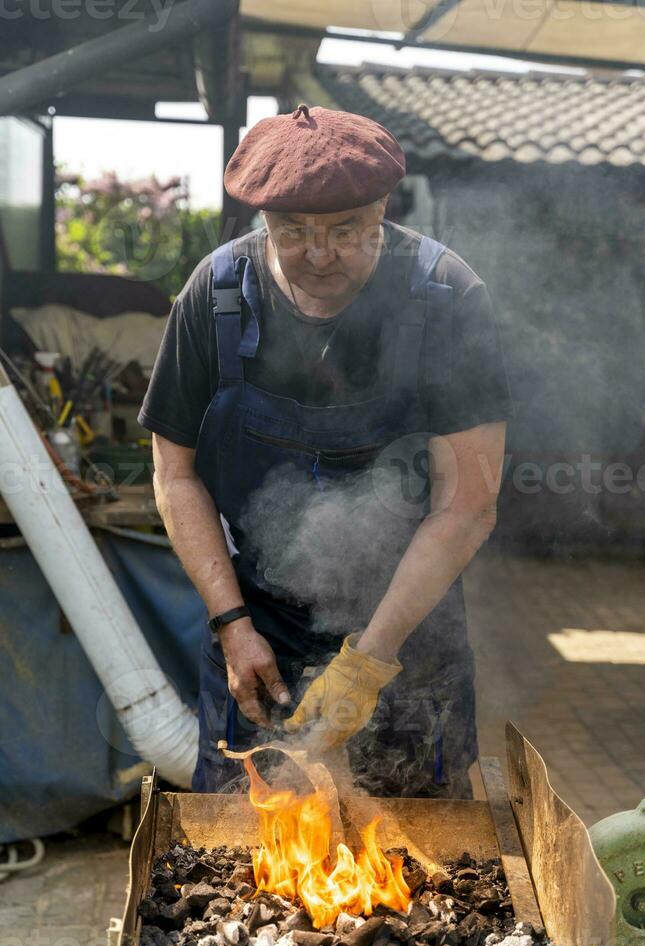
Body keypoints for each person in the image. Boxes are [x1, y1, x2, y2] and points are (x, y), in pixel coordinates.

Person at [138, 104, 515, 798]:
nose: (319, 256)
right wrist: (231, 625)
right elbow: (174, 473)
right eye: (293, 232)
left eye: (346, 231)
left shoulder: (447, 298)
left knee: (427, 878)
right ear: (263, 223)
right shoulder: (214, 298)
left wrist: (368, 665)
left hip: (409, 640)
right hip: (258, 638)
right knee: (240, 872)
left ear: (382, 210)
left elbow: (467, 505)